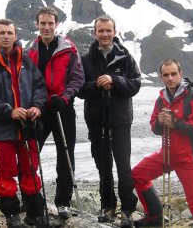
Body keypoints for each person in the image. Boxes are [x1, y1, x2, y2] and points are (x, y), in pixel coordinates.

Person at [0, 19, 49, 228]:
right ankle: (12, 215)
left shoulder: (26, 61)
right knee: (7, 172)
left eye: (9, 33)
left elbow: (40, 88)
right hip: (3, 129)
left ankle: (35, 213)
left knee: (30, 170)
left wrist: (37, 106)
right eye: (1, 33)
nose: (6, 36)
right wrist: (9, 111)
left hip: (28, 127)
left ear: (15, 36)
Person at [131, 58, 193, 228]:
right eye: (166, 75)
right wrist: (160, 123)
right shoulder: (162, 99)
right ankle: (155, 217)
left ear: (180, 74)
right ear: (161, 76)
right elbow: (155, 128)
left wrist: (176, 123)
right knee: (137, 175)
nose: (170, 78)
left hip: (190, 158)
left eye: (173, 74)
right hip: (167, 154)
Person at [77, 15, 140, 228]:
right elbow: (79, 88)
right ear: (95, 33)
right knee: (103, 165)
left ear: (114, 32)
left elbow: (135, 84)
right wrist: (97, 84)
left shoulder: (125, 57)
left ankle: (128, 209)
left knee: (123, 165)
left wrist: (115, 80)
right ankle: (107, 206)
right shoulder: (85, 59)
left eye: (108, 30)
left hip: (120, 120)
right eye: (101, 30)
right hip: (96, 120)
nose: (105, 34)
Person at [27, 7, 85, 220]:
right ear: (37, 25)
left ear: (56, 24)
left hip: (62, 108)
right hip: (38, 111)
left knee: (66, 157)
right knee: (31, 155)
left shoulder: (68, 49)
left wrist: (65, 97)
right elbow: (27, 82)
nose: (46, 27)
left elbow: (77, 78)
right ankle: (31, 200)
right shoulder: (30, 51)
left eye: (50, 23)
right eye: (42, 23)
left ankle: (63, 202)